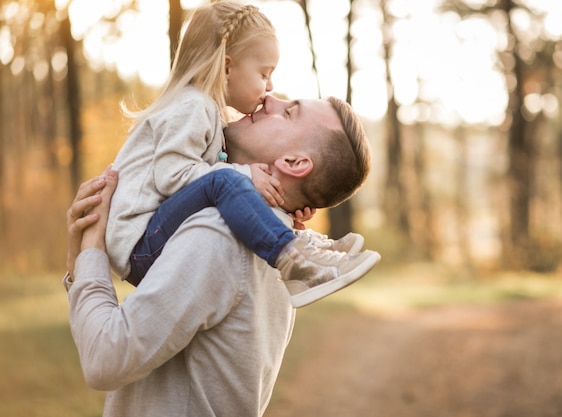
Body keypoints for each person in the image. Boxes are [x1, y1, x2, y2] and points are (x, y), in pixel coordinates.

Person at [65, 93, 378, 416]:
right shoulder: (273, 236)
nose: (269, 99)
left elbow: (105, 357)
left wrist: (91, 247)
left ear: (295, 163)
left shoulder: (221, 231)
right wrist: (79, 266)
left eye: (288, 113)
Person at [107, 0, 377, 308]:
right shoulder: (192, 107)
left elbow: (204, 181)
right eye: (264, 73)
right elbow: (175, 178)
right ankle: (293, 262)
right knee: (227, 181)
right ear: (226, 67)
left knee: (227, 181)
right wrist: (245, 176)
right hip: (138, 241)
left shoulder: (208, 113)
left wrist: (284, 209)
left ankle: (298, 243)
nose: (271, 88)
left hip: (153, 235)